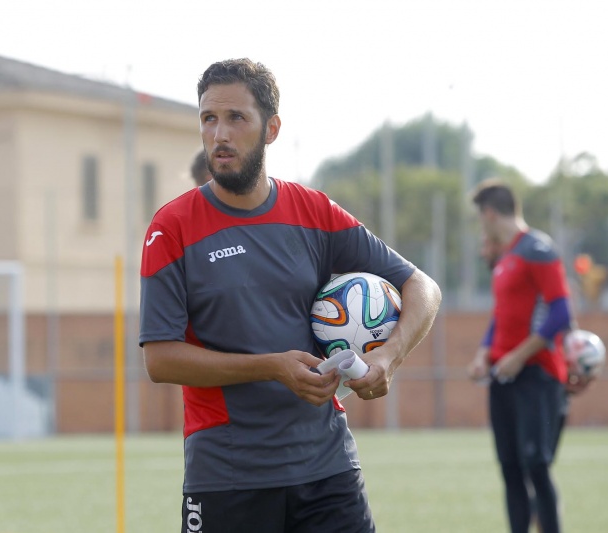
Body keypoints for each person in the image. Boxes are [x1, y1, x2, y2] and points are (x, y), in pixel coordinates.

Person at [139, 58, 441, 533]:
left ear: (272, 128)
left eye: (236, 118)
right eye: (208, 118)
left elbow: (422, 286)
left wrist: (390, 355)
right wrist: (272, 366)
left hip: (328, 470)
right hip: (227, 475)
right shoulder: (171, 227)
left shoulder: (313, 211)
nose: (219, 134)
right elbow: (160, 359)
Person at [467, 180, 574, 533]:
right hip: (502, 377)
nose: (481, 225)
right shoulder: (506, 257)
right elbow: (501, 316)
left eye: (480, 217)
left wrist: (518, 355)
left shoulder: (537, 249)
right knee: (510, 470)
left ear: (489, 213)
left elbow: (561, 313)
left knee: (536, 466)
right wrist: (484, 353)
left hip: (536, 376)